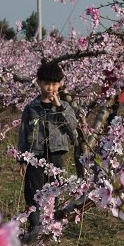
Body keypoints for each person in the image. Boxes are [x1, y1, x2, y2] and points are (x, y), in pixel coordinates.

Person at [17, 60, 79, 232]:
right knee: (33, 191)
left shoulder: (64, 106)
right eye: (46, 84)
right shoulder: (31, 108)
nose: (50, 88)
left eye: (54, 84)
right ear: (39, 83)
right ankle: (35, 226)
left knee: (54, 190)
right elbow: (23, 133)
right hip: (34, 155)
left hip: (55, 154)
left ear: (60, 84)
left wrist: (59, 106)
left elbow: (71, 128)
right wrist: (22, 159)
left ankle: (50, 224)